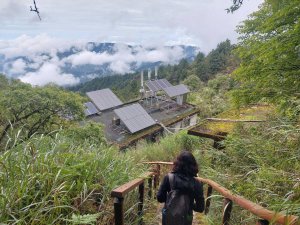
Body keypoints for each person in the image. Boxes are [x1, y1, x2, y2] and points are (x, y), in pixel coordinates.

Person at [157, 151, 205, 225]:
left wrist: (171, 199)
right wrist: (189, 204)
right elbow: (200, 208)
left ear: (177, 163)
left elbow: (160, 198)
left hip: (168, 215)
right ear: (193, 165)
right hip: (186, 217)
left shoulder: (169, 178)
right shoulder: (196, 183)